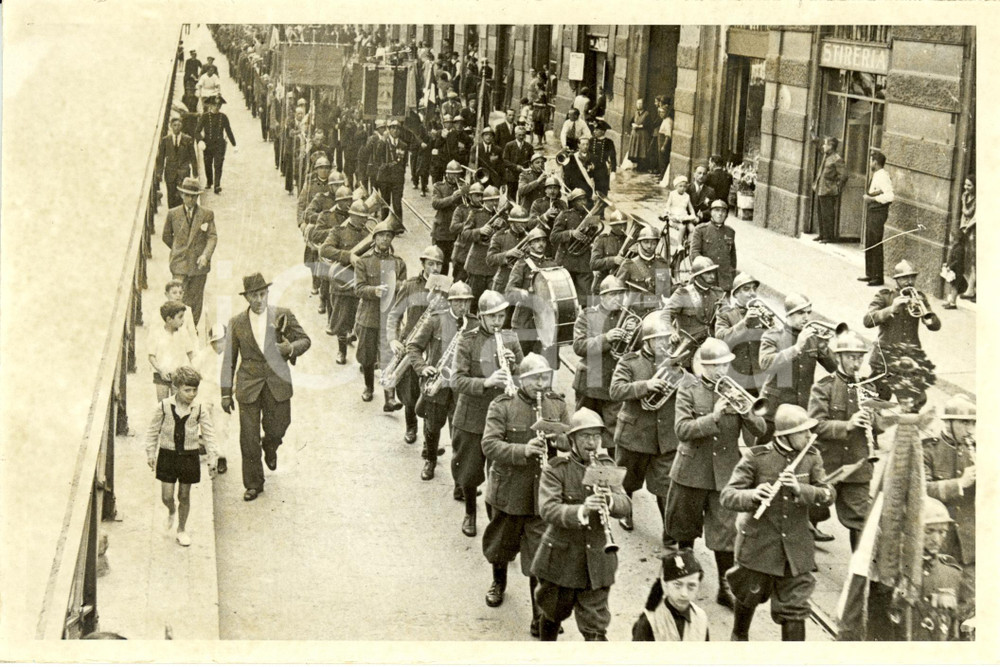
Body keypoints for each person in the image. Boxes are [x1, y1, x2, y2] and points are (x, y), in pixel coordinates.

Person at [665, 338, 767, 607]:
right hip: (691, 472)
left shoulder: (737, 390)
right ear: (705, 367)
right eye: (717, 366)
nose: (723, 371)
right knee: (685, 532)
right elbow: (682, 430)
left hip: (724, 475)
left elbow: (760, 430)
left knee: (726, 536)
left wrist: (746, 413)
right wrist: (715, 416)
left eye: (726, 365)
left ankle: (725, 588)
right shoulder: (688, 389)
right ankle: (683, 584)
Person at [720, 404, 834, 641]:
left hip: (795, 550)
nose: (808, 435)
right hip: (758, 547)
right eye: (803, 431)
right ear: (786, 434)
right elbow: (728, 496)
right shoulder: (756, 456)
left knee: (795, 612)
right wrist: (753, 495)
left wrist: (801, 489)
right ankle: (738, 638)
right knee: (748, 598)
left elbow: (827, 493)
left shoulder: (812, 457)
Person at [480, 354, 569, 634]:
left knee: (539, 559)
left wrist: (559, 439)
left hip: (542, 495)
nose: (542, 384)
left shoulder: (556, 403)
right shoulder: (503, 405)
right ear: (522, 380)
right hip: (508, 493)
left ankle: (538, 615)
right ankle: (499, 582)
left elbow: (571, 439)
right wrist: (523, 450)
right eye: (535, 379)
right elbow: (489, 445)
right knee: (500, 548)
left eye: (545, 377)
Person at [531, 407, 631, 641]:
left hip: (597, 559)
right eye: (585, 436)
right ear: (572, 439)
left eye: (596, 436)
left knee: (596, 628)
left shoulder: (606, 465)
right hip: (561, 560)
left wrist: (610, 499)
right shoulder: (557, 469)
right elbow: (548, 509)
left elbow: (625, 504)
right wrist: (583, 510)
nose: (592, 442)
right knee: (552, 613)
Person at [220, 273, 311, 502]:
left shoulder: (282, 314)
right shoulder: (237, 322)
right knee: (248, 438)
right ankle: (253, 484)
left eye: (262, 294)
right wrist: (225, 392)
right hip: (248, 384)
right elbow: (229, 359)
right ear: (247, 298)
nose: (259, 299)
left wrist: (289, 348)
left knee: (280, 424)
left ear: (267, 293)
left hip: (277, 381)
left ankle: (270, 446)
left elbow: (305, 340)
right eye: (254, 295)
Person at [452, 290, 524, 537]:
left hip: (501, 417)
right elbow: (457, 380)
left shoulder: (511, 338)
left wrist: (513, 366)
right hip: (472, 417)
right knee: (470, 472)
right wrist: (486, 381)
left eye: (501, 316)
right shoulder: (467, 340)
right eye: (492, 317)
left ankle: (495, 521)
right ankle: (470, 513)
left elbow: (522, 379)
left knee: (500, 474)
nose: (497, 322)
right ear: (481, 316)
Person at [609, 311, 688, 533]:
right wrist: (646, 386)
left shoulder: (675, 364)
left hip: (666, 438)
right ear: (649, 340)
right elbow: (615, 391)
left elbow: (688, 389)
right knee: (628, 480)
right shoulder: (630, 361)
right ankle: (625, 512)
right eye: (661, 339)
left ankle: (669, 530)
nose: (666, 343)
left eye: (668, 338)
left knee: (666, 486)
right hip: (635, 435)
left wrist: (682, 380)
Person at [807, 329, 881, 551]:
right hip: (828, 465)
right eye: (851, 357)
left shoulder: (868, 387)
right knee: (813, 509)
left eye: (860, 357)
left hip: (857, 465)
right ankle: (805, 549)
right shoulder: (824, 387)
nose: (856, 363)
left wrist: (874, 418)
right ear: (838, 357)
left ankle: (857, 574)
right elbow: (815, 425)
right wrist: (847, 425)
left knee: (860, 519)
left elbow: (879, 427)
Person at [407, 281, 476, 481]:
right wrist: (422, 368)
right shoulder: (435, 320)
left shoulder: (474, 323)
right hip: (437, 384)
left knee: (460, 432)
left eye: (466, 303)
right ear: (450, 302)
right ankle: (430, 460)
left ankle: (460, 477)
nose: (463, 307)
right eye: (458, 303)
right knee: (432, 426)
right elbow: (413, 347)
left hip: (460, 387)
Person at [145, 366, 217, 548]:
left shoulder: (199, 409)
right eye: (187, 390)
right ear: (176, 388)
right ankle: (171, 509)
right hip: (167, 455)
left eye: (195, 390)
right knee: (167, 495)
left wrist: (212, 458)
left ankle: (181, 529)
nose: (192, 394)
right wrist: (150, 452)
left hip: (189, 456)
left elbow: (209, 434)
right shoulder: (164, 406)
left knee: (184, 494)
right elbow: (152, 431)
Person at [758, 293, 837, 449]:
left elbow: (834, 368)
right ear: (789, 315)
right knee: (763, 450)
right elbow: (766, 364)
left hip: (802, 407)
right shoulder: (773, 335)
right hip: (775, 408)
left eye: (809, 312)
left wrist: (824, 348)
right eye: (801, 313)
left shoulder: (813, 338)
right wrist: (795, 348)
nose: (806, 317)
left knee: (800, 450)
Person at [923, 394, 976, 623]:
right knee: (938, 607)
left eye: (973, 423)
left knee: (969, 605)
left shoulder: (977, 449)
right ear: (948, 423)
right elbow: (922, 490)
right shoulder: (929, 449)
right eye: (964, 423)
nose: (970, 429)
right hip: (940, 542)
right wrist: (959, 485)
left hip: (969, 543)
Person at [386, 246, 447, 445]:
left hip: (436, 346)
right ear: (423, 264)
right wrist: (393, 339)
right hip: (412, 344)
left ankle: (429, 441)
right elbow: (394, 314)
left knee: (431, 394)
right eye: (431, 263)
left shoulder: (448, 288)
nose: (435, 268)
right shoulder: (411, 285)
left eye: (439, 264)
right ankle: (411, 427)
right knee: (410, 393)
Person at [862, 260, 941, 400]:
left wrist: (930, 320)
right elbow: (868, 320)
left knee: (913, 400)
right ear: (897, 280)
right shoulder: (884, 296)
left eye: (912, 277)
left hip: (909, 357)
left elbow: (935, 325)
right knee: (879, 399)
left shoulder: (919, 297)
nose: (909, 282)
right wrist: (891, 309)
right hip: (885, 357)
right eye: (905, 278)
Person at [571, 275, 629, 456]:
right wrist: (606, 338)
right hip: (589, 384)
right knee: (583, 430)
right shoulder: (588, 315)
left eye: (620, 294)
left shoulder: (628, 317)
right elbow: (579, 346)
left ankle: (610, 475)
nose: (617, 299)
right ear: (602, 296)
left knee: (614, 435)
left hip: (613, 384)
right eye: (612, 295)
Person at [354, 220, 407, 406]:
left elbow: (404, 287)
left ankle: (389, 398)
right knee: (367, 356)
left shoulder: (398, 263)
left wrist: (396, 286)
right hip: (369, 315)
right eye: (381, 235)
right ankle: (369, 386)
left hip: (390, 317)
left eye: (389, 236)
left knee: (389, 356)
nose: (385, 239)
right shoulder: (364, 262)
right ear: (374, 238)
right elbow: (358, 289)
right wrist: (373, 291)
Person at [161, 178, 217, 326]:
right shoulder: (173, 214)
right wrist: (178, 250)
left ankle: (193, 331)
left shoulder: (207, 214)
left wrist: (205, 254)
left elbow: (212, 237)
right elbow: (166, 236)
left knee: (196, 301)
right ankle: (178, 330)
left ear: (197, 196)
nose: (190, 199)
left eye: (194, 196)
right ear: (182, 195)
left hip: (199, 266)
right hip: (180, 266)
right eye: (187, 195)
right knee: (178, 299)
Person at [632, 549, 709, 641]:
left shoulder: (700, 617)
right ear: (665, 584)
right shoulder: (650, 622)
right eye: (677, 585)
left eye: (691, 586)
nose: (684, 594)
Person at [663, 256, 726, 350]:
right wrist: (672, 332)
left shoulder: (718, 293)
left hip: (710, 347)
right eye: (707, 273)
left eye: (713, 272)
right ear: (698, 276)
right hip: (686, 348)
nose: (712, 276)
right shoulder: (683, 293)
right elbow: (665, 315)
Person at [191, 324, 229, 475]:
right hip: (206, 388)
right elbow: (194, 370)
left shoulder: (232, 355)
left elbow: (239, 375)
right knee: (204, 419)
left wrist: (230, 391)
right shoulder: (205, 354)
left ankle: (221, 457)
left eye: (221, 341)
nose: (218, 345)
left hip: (223, 391)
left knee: (222, 424)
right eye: (215, 342)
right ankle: (210, 452)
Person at [550, 188, 596, 303]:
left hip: (583, 263)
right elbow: (553, 237)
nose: (583, 203)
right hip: (566, 261)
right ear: (573, 203)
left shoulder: (591, 216)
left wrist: (592, 242)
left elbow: (594, 236)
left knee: (585, 298)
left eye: (584, 199)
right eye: (579, 200)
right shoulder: (564, 215)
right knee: (565, 297)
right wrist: (571, 233)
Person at [615, 225, 671, 315]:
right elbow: (617, 292)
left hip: (656, 312)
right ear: (639, 243)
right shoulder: (629, 264)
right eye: (646, 242)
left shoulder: (662, 264)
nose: (649, 246)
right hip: (634, 313)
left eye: (653, 243)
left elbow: (666, 292)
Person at [859, 150, 894, 286]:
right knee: (869, 242)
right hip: (872, 212)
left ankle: (878, 277)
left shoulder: (883, 176)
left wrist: (872, 198)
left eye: (871, 161)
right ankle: (870, 273)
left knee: (875, 243)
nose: (869, 163)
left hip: (878, 213)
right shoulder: (877, 175)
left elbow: (890, 196)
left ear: (875, 162)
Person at [149, 301, 196, 401]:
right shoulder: (157, 333)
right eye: (180, 317)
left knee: (178, 405)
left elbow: (191, 353)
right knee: (163, 404)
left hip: (179, 375)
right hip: (161, 374)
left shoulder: (183, 333)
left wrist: (194, 370)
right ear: (169, 319)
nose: (183, 320)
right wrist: (160, 370)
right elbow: (151, 356)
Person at [688, 200, 737, 292]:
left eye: (723, 211)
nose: (720, 214)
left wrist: (732, 277)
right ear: (711, 212)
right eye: (717, 210)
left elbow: (732, 257)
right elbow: (694, 253)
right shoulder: (701, 230)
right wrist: (703, 272)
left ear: (726, 214)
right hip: (706, 280)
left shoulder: (730, 232)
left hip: (724, 281)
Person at [430, 160, 468, 277]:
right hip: (443, 232)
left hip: (457, 232)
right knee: (442, 264)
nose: (456, 177)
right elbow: (436, 203)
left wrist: (466, 193)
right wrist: (452, 197)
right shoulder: (438, 186)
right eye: (453, 174)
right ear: (447, 174)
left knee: (458, 264)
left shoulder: (464, 186)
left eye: (458, 174)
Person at [156, 116, 199, 209]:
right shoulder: (165, 140)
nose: (177, 127)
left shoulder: (187, 139)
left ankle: (180, 218)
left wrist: (195, 172)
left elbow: (193, 156)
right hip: (170, 173)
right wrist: (159, 173)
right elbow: (161, 158)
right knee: (171, 196)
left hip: (183, 173)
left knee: (181, 196)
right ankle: (172, 217)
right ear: (171, 126)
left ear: (182, 126)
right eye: (174, 125)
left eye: (179, 125)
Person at [197, 96, 236, 195]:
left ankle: (217, 185)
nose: (217, 107)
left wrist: (234, 144)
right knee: (207, 164)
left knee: (218, 164)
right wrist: (200, 140)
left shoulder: (223, 117)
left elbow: (228, 131)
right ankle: (209, 181)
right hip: (207, 144)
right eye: (215, 104)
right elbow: (197, 131)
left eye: (219, 105)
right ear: (210, 105)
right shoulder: (205, 116)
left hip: (219, 145)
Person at [812, 137, 848, 243]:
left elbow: (844, 175)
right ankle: (822, 234)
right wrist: (812, 134)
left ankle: (828, 237)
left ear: (831, 146)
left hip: (828, 190)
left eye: (825, 144)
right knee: (821, 213)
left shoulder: (837, 159)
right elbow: (819, 147)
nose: (823, 146)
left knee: (827, 214)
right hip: (821, 188)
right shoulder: (826, 156)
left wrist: (836, 187)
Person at [376, 120, 408, 228]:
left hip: (397, 178)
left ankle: (398, 225)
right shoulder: (384, 142)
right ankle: (384, 225)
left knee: (397, 202)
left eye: (397, 128)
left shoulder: (403, 145)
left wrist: (400, 173)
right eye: (393, 128)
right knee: (385, 202)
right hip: (385, 178)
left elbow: (404, 162)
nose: (395, 130)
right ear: (389, 130)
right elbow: (377, 156)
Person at [589, 210, 628, 288]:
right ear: (612, 226)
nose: (623, 228)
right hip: (604, 283)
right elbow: (593, 264)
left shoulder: (628, 241)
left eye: (624, 224)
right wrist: (613, 260)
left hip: (623, 283)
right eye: (619, 225)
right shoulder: (602, 240)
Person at [502, 124, 533, 202]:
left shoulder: (529, 147)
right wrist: (515, 167)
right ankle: (511, 211)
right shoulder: (509, 145)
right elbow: (505, 160)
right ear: (515, 135)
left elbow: (532, 160)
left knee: (523, 194)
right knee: (511, 195)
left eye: (523, 135)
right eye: (519, 135)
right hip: (512, 175)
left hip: (524, 176)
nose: (521, 137)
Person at [590, 121, 617, 200]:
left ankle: (601, 209)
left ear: (602, 131)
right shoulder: (591, 141)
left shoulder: (609, 142)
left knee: (602, 191)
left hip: (602, 169)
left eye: (597, 130)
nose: (594, 131)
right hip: (592, 168)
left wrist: (613, 171)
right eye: (594, 130)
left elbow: (613, 157)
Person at [627, 99, 652, 172]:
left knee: (642, 149)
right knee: (635, 149)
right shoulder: (635, 113)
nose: (639, 105)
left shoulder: (647, 114)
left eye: (640, 103)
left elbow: (648, 124)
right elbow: (630, 122)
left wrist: (639, 126)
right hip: (635, 134)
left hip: (642, 134)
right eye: (637, 103)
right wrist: (633, 124)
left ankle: (642, 166)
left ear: (643, 104)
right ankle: (637, 164)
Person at [655, 106, 673, 177]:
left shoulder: (668, 121)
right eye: (660, 112)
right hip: (661, 142)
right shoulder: (664, 120)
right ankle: (661, 175)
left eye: (663, 112)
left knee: (663, 161)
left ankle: (663, 176)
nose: (661, 114)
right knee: (661, 160)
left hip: (663, 143)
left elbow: (668, 136)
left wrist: (664, 146)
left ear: (667, 112)